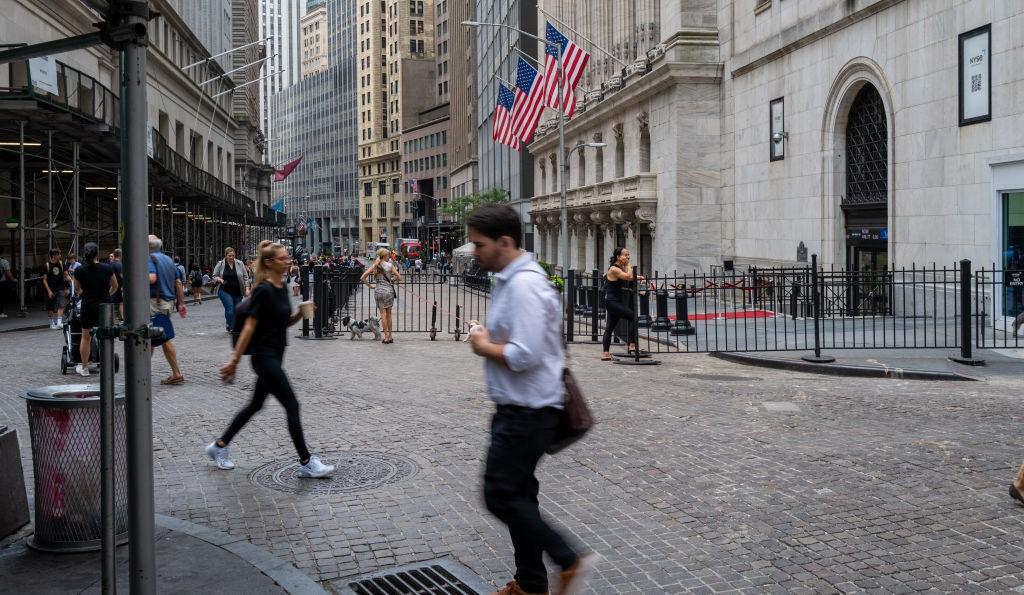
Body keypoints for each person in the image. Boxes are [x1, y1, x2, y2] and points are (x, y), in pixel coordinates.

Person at [465, 204, 595, 595]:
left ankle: (567, 557)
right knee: (520, 494)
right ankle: (530, 584)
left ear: (505, 242)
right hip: (520, 407)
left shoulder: (524, 285)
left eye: (479, 244)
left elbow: (523, 355)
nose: (474, 252)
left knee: (499, 494)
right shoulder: (510, 279)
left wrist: (482, 344)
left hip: (529, 411)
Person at [206, 242, 335, 479]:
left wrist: (299, 314)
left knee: (255, 405)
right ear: (269, 262)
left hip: (275, 354)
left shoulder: (281, 287)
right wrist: (234, 361)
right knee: (292, 405)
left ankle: (219, 445)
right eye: (283, 258)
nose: (288, 261)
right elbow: (248, 329)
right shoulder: (263, 289)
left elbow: (281, 323)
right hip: (264, 357)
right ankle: (306, 462)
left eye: (288, 257)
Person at [73, 243, 118, 377]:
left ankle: (85, 368)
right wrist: (106, 295)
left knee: (85, 337)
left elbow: (77, 289)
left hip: (88, 304)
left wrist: (86, 294)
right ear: (97, 254)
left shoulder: (79, 270)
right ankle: (107, 364)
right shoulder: (107, 268)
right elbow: (115, 286)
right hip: (105, 304)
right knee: (107, 335)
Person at [148, 234, 187, 385]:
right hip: (168, 302)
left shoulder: (151, 259)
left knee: (157, 337)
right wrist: (181, 303)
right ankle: (142, 371)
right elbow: (178, 283)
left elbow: (151, 278)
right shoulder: (168, 260)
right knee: (153, 338)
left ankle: (176, 373)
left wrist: (133, 277)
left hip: (155, 303)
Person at [601, 247, 644, 361]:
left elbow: (627, 278)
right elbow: (629, 276)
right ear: (618, 257)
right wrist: (629, 265)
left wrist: (639, 278)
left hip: (613, 302)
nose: (628, 257)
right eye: (625, 255)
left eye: (628, 255)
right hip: (612, 302)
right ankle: (632, 344)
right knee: (633, 317)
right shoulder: (615, 269)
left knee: (610, 327)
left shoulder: (617, 268)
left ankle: (605, 353)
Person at [360, 247, 400, 344]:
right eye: (388, 255)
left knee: (383, 314)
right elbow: (399, 277)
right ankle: (390, 336)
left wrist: (371, 286)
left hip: (378, 291)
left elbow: (362, 278)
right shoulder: (390, 265)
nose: (389, 257)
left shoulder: (375, 265)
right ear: (385, 255)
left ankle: (385, 336)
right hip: (388, 292)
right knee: (389, 314)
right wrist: (392, 280)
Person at [212, 247, 251, 333]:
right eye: (229, 256)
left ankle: (229, 323)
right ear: (225, 255)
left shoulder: (240, 263)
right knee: (230, 308)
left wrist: (247, 288)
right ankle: (233, 327)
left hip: (238, 291)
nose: (231, 257)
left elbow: (245, 277)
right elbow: (214, 276)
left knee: (238, 309)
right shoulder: (220, 264)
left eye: (233, 255)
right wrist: (220, 280)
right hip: (224, 290)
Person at [42, 248, 69, 329]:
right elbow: (44, 279)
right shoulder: (47, 265)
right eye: (59, 254)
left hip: (60, 287)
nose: (60, 256)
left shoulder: (61, 263)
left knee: (61, 304)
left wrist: (70, 280)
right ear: (54, 256)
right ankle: (51, 323)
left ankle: (59, 322)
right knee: (50, 307)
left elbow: (66, 274)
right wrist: (49, 291)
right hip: (50, 289)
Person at [109, 249, 124, 321]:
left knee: (119, 302)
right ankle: (117, 319)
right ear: (120, 255)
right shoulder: (119, 264)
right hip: (117, 287)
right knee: (119, 303)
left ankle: (121, 317)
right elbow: (122, 276)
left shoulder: (110, 264)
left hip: (111, 286)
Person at [0, 247, 13, 318]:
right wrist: (13, 279)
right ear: (3, 253)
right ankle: (1, 313)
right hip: (1, 282)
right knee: (1, 298)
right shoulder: (4, 262)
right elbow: (8, 273)